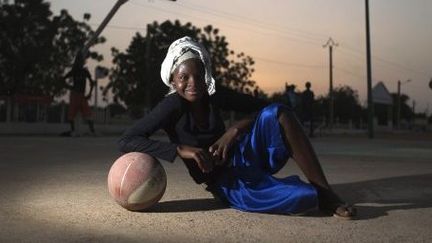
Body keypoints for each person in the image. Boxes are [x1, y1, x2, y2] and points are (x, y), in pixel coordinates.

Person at [118, 37, 356, 218]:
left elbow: (266, 107)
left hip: (246, 154)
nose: (193, 84)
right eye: (184, 78)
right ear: (172, 80)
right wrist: (181, 150)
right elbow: (127, 139)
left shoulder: (213, 94)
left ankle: (326, 193)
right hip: (227, 181)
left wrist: (233, 131)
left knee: (280, 114)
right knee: (303, 198)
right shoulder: (171, 106)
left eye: (199, 76)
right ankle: (309, 194)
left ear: (206, 75)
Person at [62, 54, 96, 136]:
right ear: (76, 62)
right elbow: (62, 79)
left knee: (88, 113)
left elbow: (91, 83)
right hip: (74, 95)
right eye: (79, 61)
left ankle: (93, 131)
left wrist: (89, 93)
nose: (80, 62)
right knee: (71, 114)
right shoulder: (74, 71)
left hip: (82, 95)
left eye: (81, 61)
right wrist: (70, 87)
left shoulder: (85, 71)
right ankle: (73, 131)